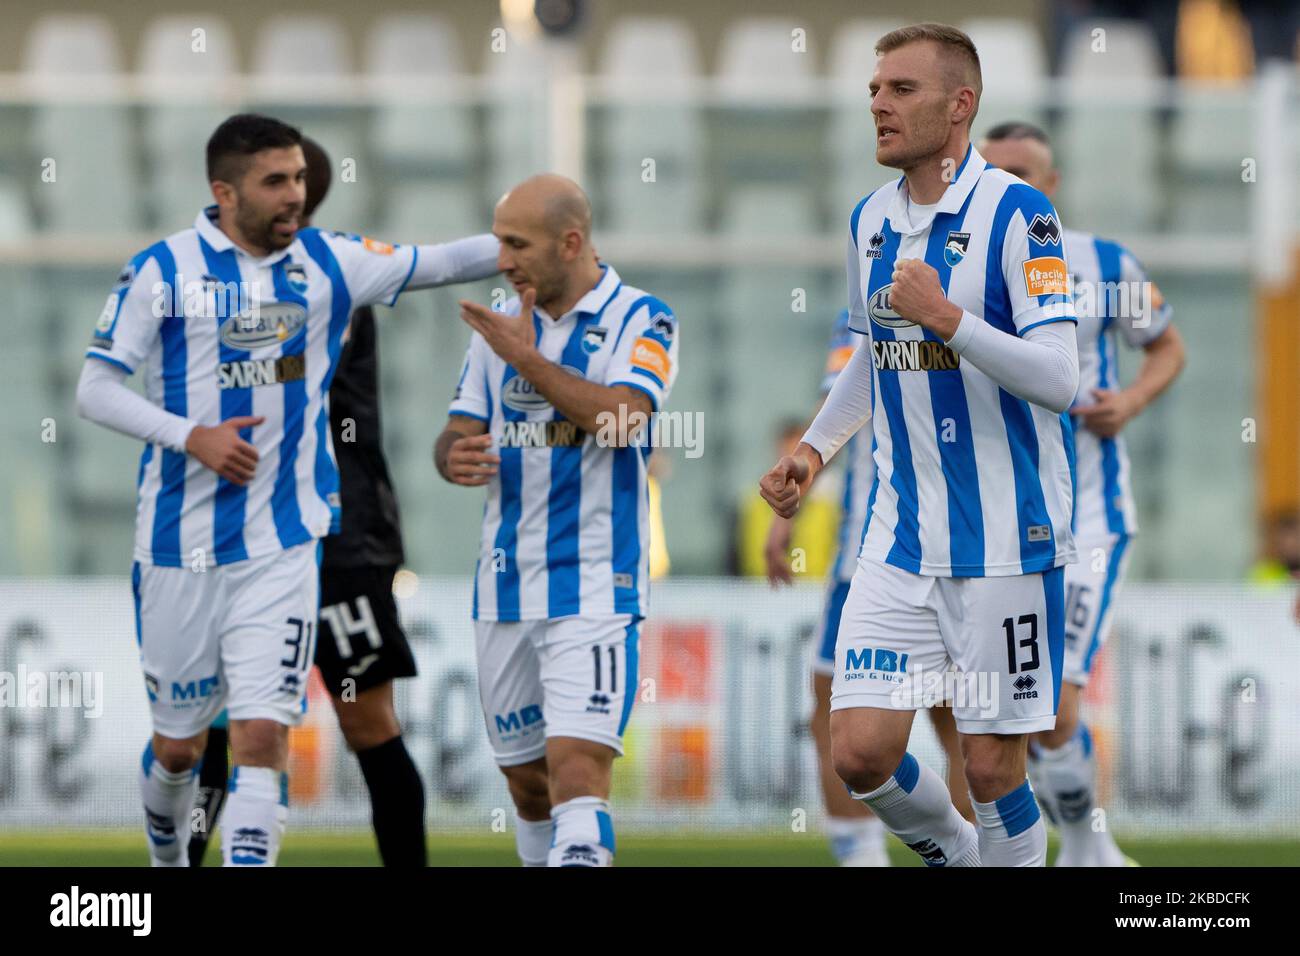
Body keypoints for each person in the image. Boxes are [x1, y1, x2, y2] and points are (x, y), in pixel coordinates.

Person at [75, 113, 498, 866]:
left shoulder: (329, 263)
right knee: (177, 749)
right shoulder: (161, 271)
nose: (295, 195)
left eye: (299, 178)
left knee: (263, 736)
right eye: (276, 181)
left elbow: (440, 261)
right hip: (180, 549)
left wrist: (536, 238)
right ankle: (167, 859)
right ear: (224, 192)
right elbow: (95, 390)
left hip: (286, 545)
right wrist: (190, 435)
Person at [760, 23, 1080, 867]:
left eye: (901, 89)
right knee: (859, 751)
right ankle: (962, 856)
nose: (878, 103)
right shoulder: (870, 220)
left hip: (1007, 542)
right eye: (874, 89)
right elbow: (873, 352)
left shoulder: (1023, 216)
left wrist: (952, 320)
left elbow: (1059, 377)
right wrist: (814, 452)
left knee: (988, 763)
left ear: (960, 104)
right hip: (897, 541)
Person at [188, 136, 431, 867]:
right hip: (250, 534)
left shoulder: (327, 281)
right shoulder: (247, 279)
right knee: (221, 726)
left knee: (367, 724)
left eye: (286, 180)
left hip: (340, 539)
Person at [434, 174, 678, 867]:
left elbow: (624, 419)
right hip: (505, 587)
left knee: (577, 775)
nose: (501, 258)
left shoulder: (643, 318)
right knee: (528, 787)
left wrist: (529, 361)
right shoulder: (499, 328)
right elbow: (455, 431)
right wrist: (454, 456)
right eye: (498, 241)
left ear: (570, 242)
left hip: (595, 586)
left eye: (517, 243)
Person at [980, 120, 1185, 866]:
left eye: (1025, 172)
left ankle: (1089, 846)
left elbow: (1167, 344)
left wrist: (1128, 402)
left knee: (1053, 701)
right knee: (1013, 707)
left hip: (1090, 516)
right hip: (999, 521)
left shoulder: (1102, 263)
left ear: (1051, 184)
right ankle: (1070, 846)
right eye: (995, 170)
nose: (1011, 184)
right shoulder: (965, 267)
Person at [765, 308, 974, 867]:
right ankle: (953, 855)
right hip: (960, 548)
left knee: (839, 709)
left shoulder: (868, 307)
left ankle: (879, 859)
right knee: (957, 718)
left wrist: (786, 514)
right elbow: (843, 403)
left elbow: (834, 409)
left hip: (876, 551)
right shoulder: (972, 290)